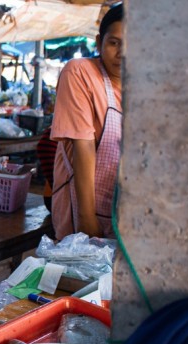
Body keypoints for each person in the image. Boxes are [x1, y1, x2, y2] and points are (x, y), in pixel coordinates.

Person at [50, 3, 123, 240]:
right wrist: (87, 219)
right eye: (114, 43)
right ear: (99, 40)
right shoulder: (80, 72)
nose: (124, 53)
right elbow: (84, 147)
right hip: (81, 206)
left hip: (123, 212)